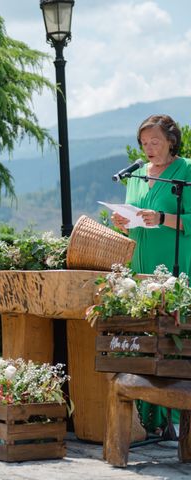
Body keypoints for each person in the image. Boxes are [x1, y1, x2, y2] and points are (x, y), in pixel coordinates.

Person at [111, 114, 191, 435]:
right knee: (143, 339)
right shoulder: (137, 175)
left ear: (171, 140)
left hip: (173, 268)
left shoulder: (185, 171)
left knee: (170, 339)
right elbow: (135, 216)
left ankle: (175, 417)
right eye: (144, 143)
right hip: (138, 269)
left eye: (154, 142)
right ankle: (149, 421)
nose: (148, 149)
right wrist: (122, 221)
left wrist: (160, 217)